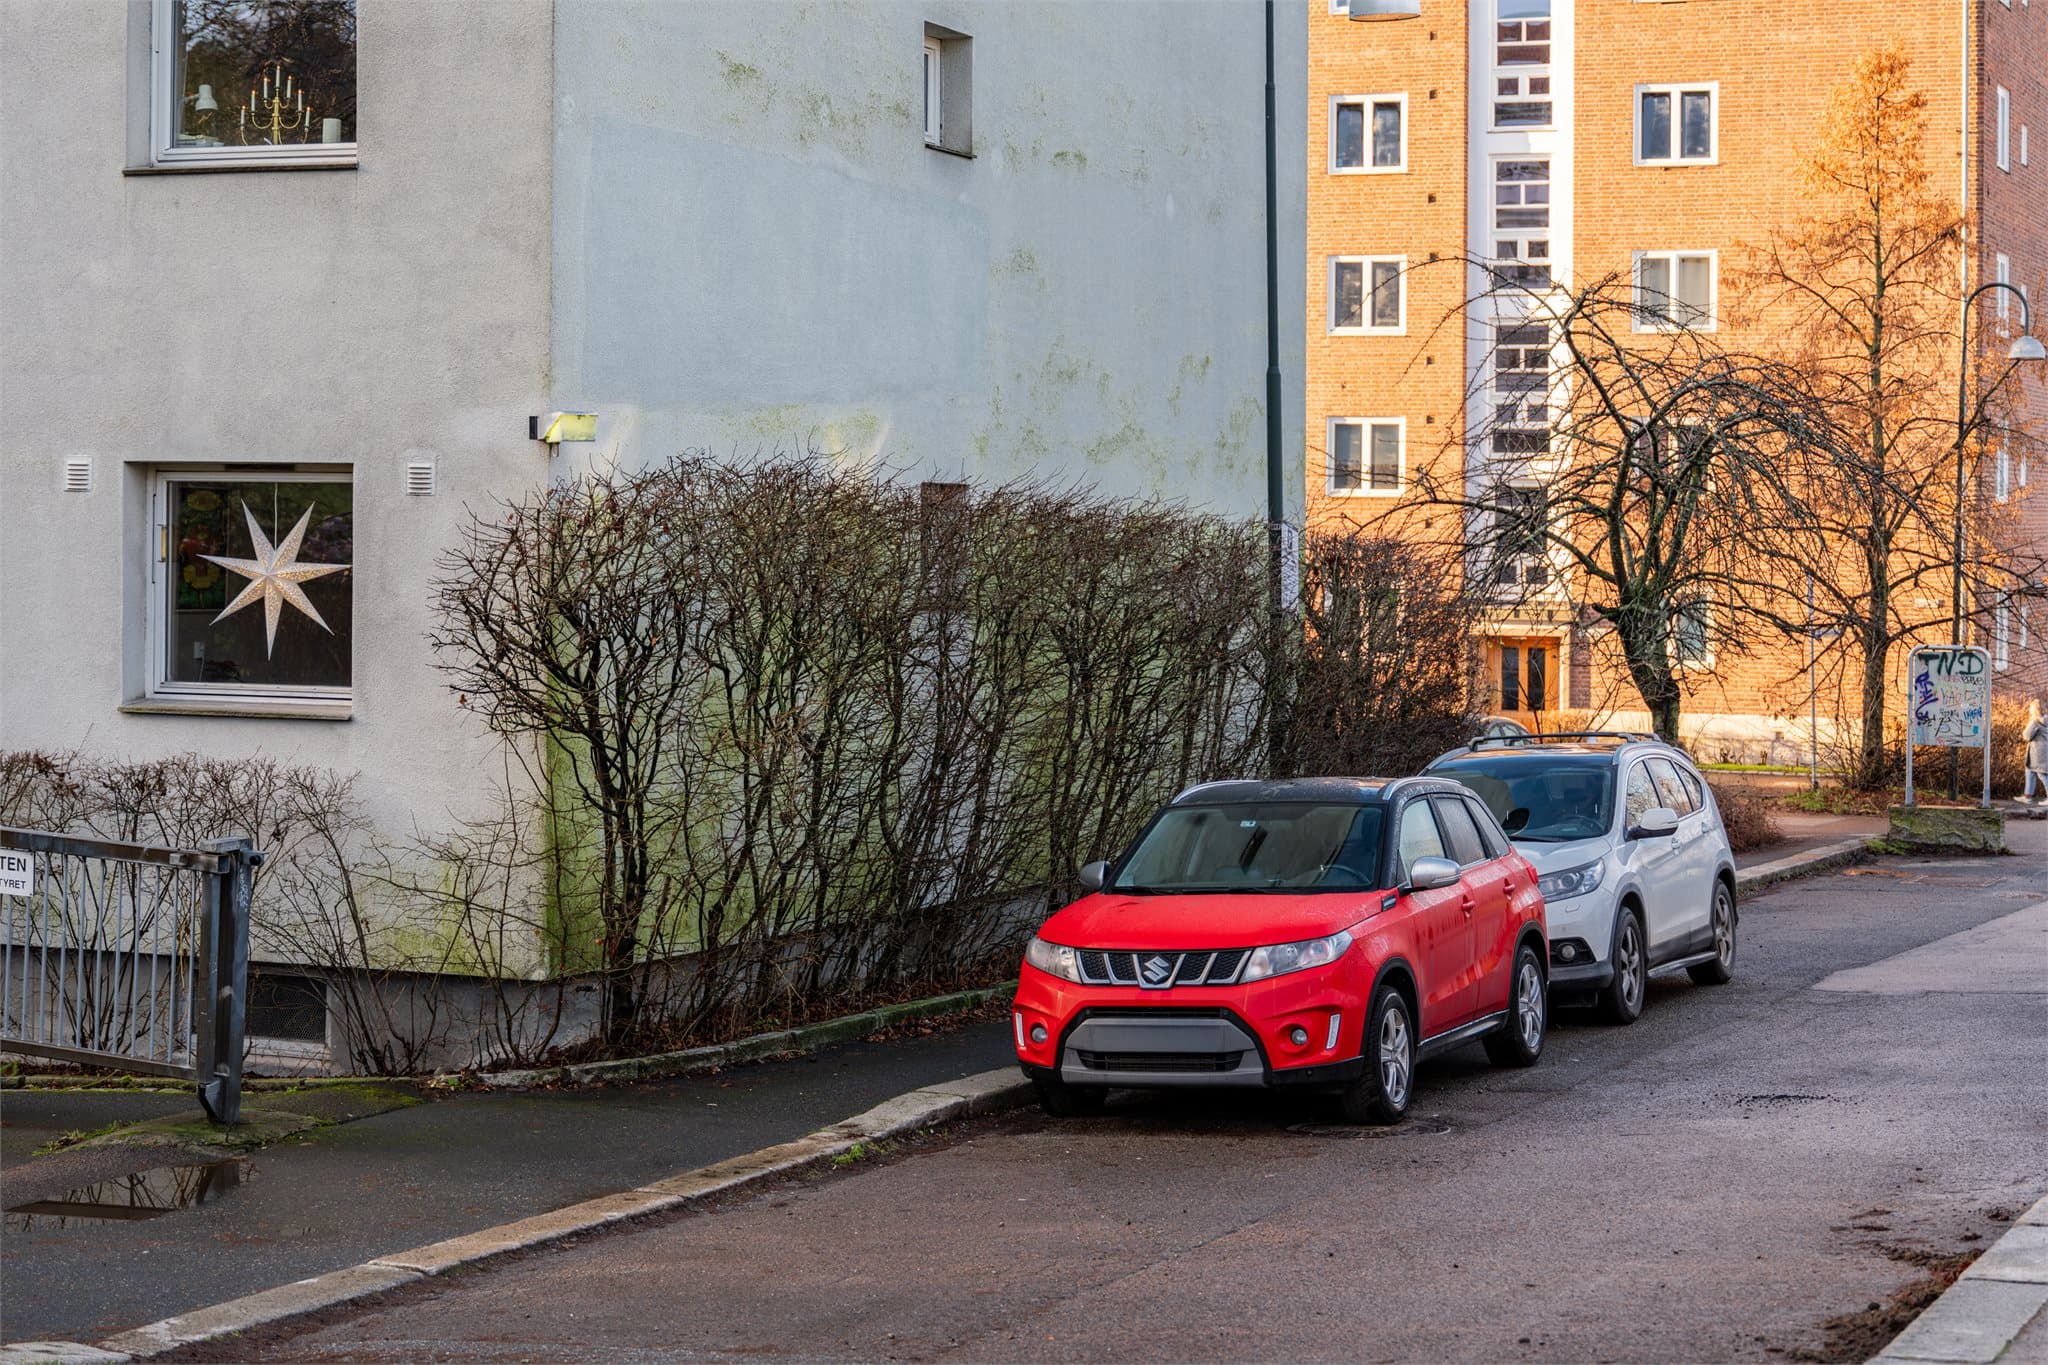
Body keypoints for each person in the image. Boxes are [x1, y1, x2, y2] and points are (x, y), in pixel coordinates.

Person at [2025, 699, 2048, 805]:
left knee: (2042, 774)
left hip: (2038, 753)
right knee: (2030, 771)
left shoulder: (2035, 722)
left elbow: (2026, 735)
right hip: (2045, 750)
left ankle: (2028, 796)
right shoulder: (2046, 719)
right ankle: (2028, 795)